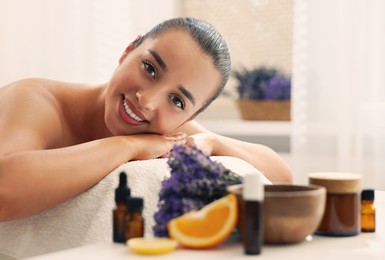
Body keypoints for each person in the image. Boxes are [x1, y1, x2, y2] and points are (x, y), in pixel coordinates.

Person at [0, 17, 292, 222]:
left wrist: (212, 141)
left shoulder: (168, 127)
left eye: (177, 101)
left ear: (190, 116)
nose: (148, 101)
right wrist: (127, 146)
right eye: (150, 69)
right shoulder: (34, 98)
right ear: (128, 50)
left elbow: (282, 179)